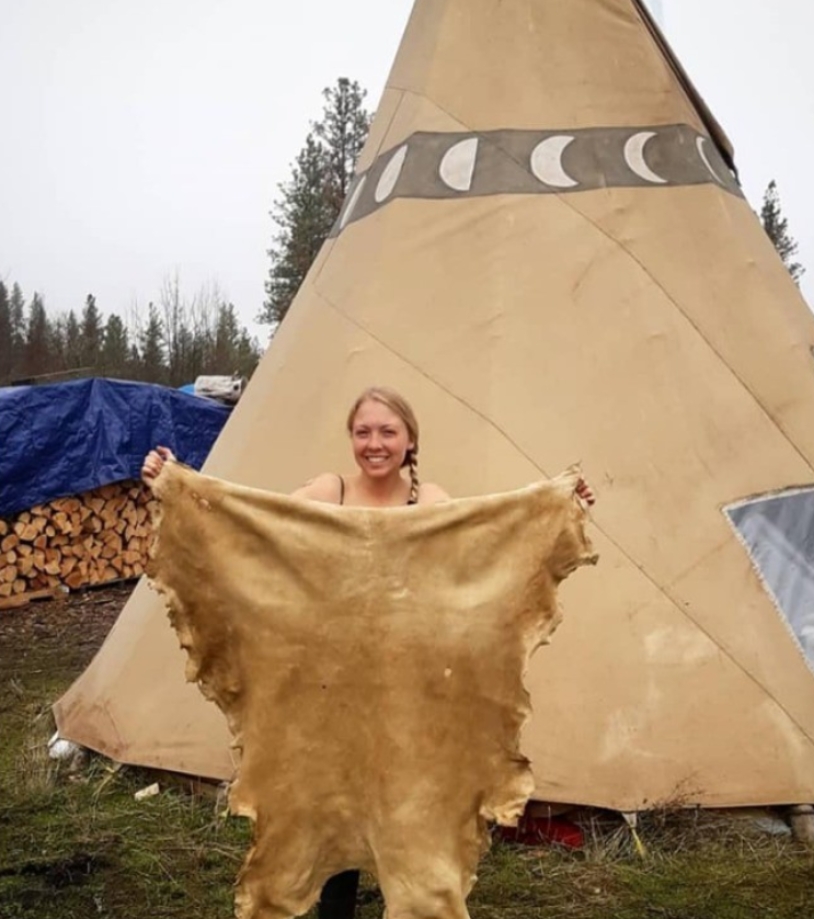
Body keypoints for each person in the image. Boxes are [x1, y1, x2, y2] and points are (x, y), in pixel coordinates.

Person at [141, 384, 595, 918]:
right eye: (363, 432)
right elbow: (254, 534)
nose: (374, 443)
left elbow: (484, 557)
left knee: (413, 822)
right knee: (328, 818)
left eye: (387, 432)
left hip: (408, 700)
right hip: (325, 699)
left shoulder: (430, 506)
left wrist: (556, 511)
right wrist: (176, 481)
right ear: (350, 438)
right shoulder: (327, 494)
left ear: (409, 441)